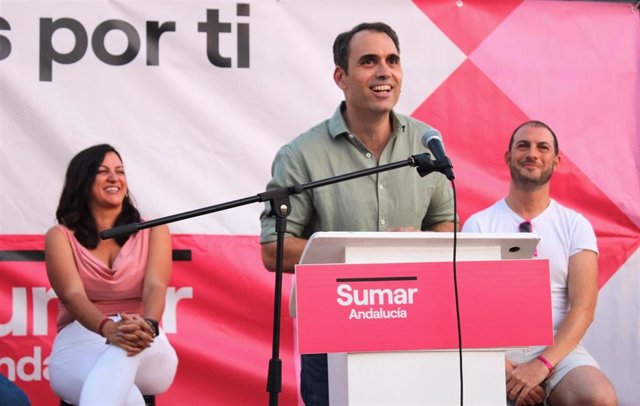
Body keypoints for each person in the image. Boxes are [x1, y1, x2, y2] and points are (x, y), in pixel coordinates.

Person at [260, 22, 457, 406]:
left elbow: (445, 225)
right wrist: (369, 252)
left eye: (392, 60)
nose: (385, 71)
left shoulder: (427, 142)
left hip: (414, 319)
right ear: (341, 77)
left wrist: (416, 245)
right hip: (334, 328)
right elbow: (273, 250)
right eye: (369, 61)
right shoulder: (301, 155)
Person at [462, 121, 617, 406]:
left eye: (542, 147)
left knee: (598, 397)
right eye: (523, 145)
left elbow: (584, 308)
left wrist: (542, 364)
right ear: (508, 157)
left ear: (556, 162)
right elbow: (469, 311)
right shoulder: (479, 225)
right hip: (496, 352)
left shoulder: (575, 225)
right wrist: (502, 368)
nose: (532, 153)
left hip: (558, 349)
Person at [45, 144, 178, 405]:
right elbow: (72, 296)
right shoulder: (60, 236)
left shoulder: (154, 229)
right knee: (127, 397)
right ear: (82, 182)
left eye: (120, 171)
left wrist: (147, 326)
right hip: (81, 335)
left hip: (145, 336)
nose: (114, 178)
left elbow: (155, 286)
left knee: (122, 353)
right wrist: (109, 329)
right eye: (103, 171)